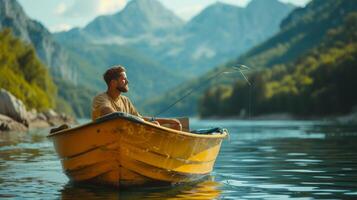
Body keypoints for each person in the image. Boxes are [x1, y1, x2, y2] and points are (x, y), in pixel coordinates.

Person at [91, 65, 182, 130]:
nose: (127, 81)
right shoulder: (101, 98)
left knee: (158, 124)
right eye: (124, 79)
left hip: (125, 136)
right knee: (155, 125)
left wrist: (168, 121)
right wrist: (150, 124)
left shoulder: (125, 100)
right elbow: (111, 114)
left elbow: (139, 118)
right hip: (108, 136)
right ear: (113, 83)